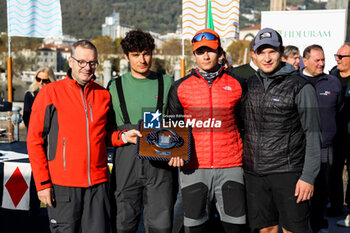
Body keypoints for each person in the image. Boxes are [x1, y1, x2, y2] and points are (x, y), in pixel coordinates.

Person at [27, 40, 141, 233]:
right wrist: (43, 184)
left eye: (92, 63)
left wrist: (123, 137)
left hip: (98, 186)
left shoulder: (103, 95)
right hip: (63, 186)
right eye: (82, 62)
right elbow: (34, 140)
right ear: (70, 62)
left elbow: (105, 136)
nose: (87, 67)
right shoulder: (50, 93)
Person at [242, 28, 321, 233]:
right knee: (265, 230)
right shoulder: (249, 85)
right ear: (254, 55)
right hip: (255, 174)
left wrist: (308, 177)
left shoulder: (301, 87)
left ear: (281, 52)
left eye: (272, 52)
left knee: (292, 230)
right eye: (261, 52)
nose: (267, 58)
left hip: (289, 174)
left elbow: (313, 134)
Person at [168, 28, 247, 233]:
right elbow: (173, 126)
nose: (206, 55)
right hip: (194, 168)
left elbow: (246, 123)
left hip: (231, 166)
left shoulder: (237, 84)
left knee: (235, 227)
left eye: (210, 50)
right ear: (193, 54)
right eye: (200, 51)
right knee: (195, 227)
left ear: (220, 52)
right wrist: (174, 153)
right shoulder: (180, 87)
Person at [108, 29, 180, 233]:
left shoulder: (166, 83)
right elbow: (106, 132)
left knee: (161, 225)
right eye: (136, 55)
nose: (142, 60)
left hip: (160, 163)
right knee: (123, 223)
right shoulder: (114, 86)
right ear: (126, 57)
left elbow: (177, 124)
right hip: (126, 162)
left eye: (146, 53)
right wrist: (122, 137)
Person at [299, 44, 343, 233]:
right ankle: (298, 225)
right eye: (317, 60)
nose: (321, 63)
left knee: (322, 187)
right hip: (299, 147)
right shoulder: (294, 81)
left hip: (325, 145)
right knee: (299, 187)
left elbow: (339, 110)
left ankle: (318, 224)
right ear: (305, 60)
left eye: (323, 59)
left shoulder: (333, 83)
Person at [328, 43, 350, 226]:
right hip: (335, 133)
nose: (337, 59)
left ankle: (349, 208)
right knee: (333, 171)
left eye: (341, 56)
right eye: (337, 55)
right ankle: (335, 206)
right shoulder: (331, 75)